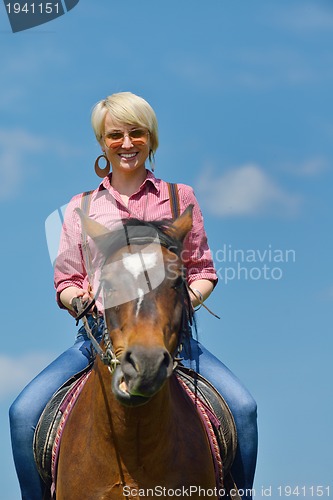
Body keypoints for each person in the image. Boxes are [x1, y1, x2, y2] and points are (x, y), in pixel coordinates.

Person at [9, 91, 257, 499]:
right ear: (102, 143)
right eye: (115, 135)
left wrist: (174, 305)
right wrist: (77, 299)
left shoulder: (180, 199)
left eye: (136, 133)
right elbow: (67, 280)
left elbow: (203, 272)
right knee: (22, 415)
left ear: (151, 138)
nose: (126, 143)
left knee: (244, 411)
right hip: (98, 339)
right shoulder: (81, 208)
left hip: (171, 340)